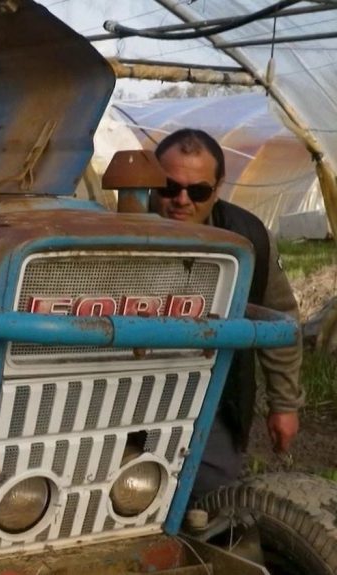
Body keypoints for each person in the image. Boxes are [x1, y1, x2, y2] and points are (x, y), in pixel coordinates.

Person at [151, 128, 304, 502]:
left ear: (218, 187)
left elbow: (279, 314)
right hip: (130, 389)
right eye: (169, 187)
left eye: (198, 191)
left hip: (214, 390)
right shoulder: (114, 232)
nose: (181, 200)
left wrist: (284, 404)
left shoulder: (248, 237)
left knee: (213, 493)